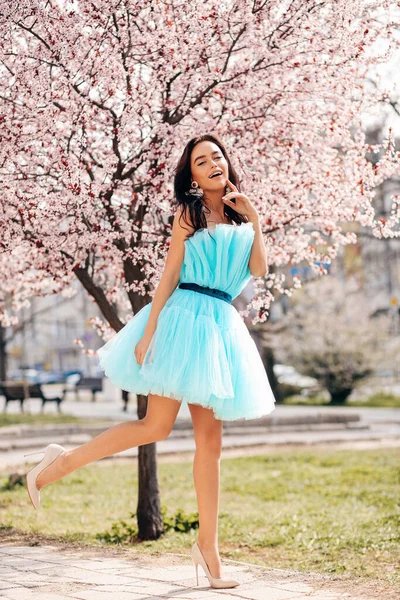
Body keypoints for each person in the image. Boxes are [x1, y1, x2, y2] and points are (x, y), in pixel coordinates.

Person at [24, 133, 276, 589]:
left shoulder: (242, 214)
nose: (212, 163)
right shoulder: (190, 213)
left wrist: (256, 217)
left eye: (216, 156)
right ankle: (58, 464)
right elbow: (168, 276)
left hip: (219, 324)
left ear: (226, 162)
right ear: (193, 175)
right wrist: (151, 329)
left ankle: (208, 548)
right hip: (184, 320)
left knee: (211, 445)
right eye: (202, 161)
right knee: (155, 426)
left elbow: (258, 269)